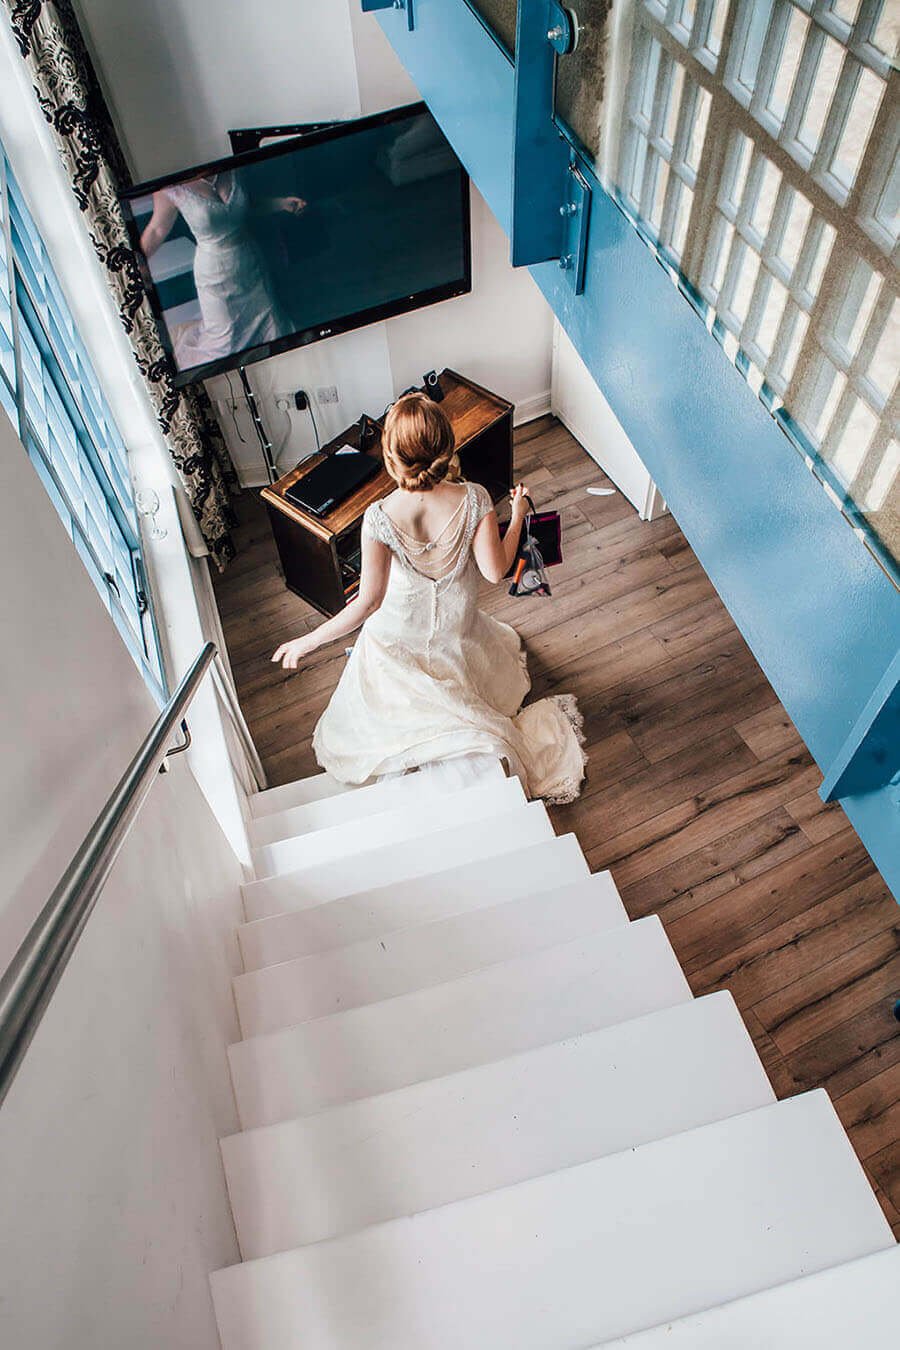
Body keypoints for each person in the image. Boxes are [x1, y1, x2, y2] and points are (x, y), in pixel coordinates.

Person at [272, 392, 586, 803]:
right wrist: (521, 512)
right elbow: (496, 571)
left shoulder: (380, 517)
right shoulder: (474, 499)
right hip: (457, 632)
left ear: (390, 458)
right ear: (446, 447)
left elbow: (367, 603)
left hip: (397, 639)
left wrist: (308, 641)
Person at [140, 170, 306, 368]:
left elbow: (248, 205)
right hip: (214, 274)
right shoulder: (170, 187)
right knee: (224, 342)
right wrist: (136, 265)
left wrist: (282, 203)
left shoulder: (231, 170)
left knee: (272, 326)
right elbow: (156, 230)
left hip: (250, 262)